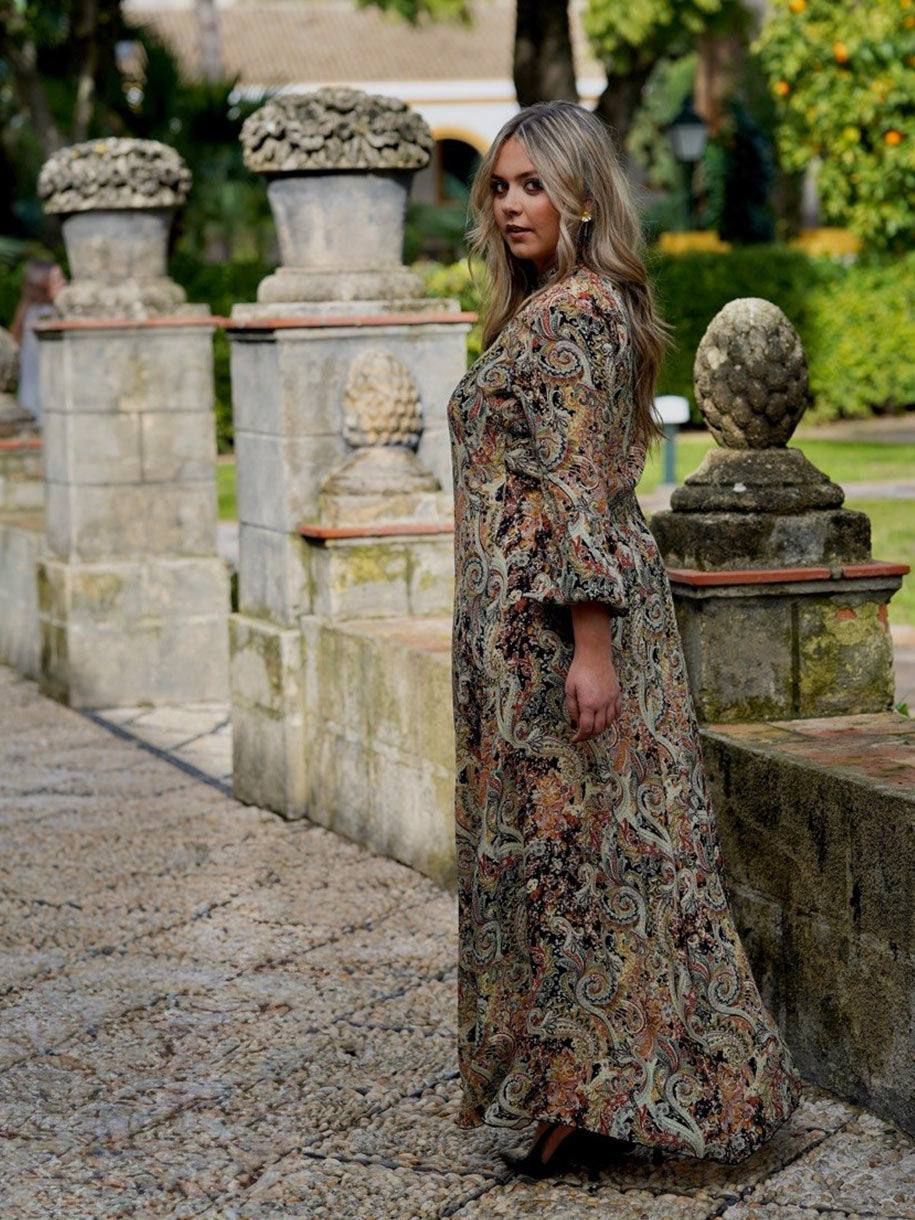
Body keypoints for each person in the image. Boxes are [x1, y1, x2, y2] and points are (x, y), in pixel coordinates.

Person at [445, 101, 802, 1179]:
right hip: (525, 635)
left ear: (583, 196)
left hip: (561, 634)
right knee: (578, 861)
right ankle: (582, 1084)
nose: (511, 204)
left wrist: (590, 649)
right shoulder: (553, 308)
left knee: (589, 861)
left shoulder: (574, 316)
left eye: (533, 185)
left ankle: (607, 1093)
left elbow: (580, 490)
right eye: (501, 185)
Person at [10, 259, 67, 423]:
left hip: (32, 394)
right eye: (57, 280)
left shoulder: (28, 311)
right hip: (42, 396)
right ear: (42, 284)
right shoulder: (44, 314)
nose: (64, 283)